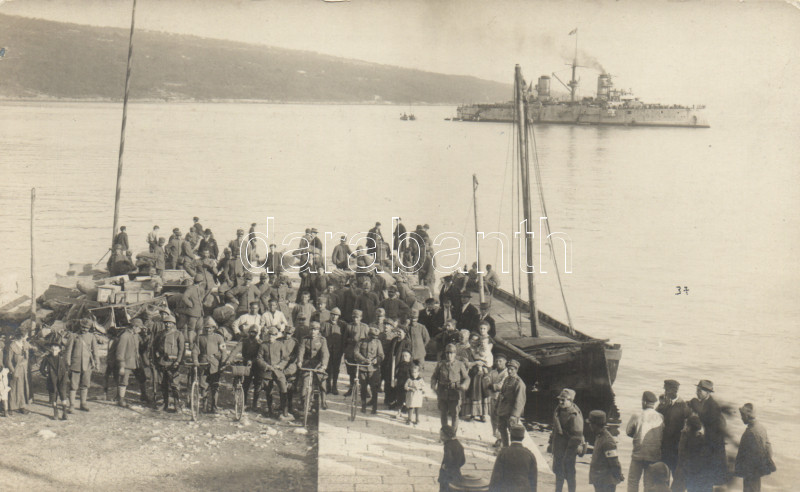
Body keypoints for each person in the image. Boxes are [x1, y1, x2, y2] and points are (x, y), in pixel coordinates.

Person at [688, 379, 727, 487]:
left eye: (699, 391)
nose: (697, 393)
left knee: (707, 479)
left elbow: (716, 430)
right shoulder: (703, 403)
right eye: (697, 390)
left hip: (711, 449)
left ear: (708, 392)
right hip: (704, 447)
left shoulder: (713, 407)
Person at [626, 391, 664, 492]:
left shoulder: (637, 415)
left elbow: (628, 432)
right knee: (649, 483)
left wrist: (636, 435)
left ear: (644, 402)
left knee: (633, 481)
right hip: (653, 455)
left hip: (638, 454)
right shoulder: (660, 417)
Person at [655, 379, 691, 487]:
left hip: (676, 448)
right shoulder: (664, 404)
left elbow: (687, 428)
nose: (665, 392)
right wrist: (661, 405)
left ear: (673, 391)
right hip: (665, 447)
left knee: (677, 478)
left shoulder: (684, 407)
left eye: (667, 390)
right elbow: (656, 417)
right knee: (663, 476)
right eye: (665, 390)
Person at [735, 403, 776, 492]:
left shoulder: (752, 432)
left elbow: (755, 455)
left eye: (742, 415)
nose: (741, 418)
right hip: (755, 471)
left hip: (751, 471)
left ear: (747, 416)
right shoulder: (760, 427)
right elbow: (768, 448)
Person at [550, 388, 583, 492]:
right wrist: (551, 443)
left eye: (563, 400)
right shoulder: (559, 410)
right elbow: (555, 429)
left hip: (568, 451)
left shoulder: (574, 415)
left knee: (570, 475)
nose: (560, 402)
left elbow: (577, 437)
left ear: (570, 401)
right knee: (558, 473)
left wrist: (568, 455)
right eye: (559, 399)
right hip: (559, 448)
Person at [431, 343, 470, 431]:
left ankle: (453, 433)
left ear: (455, 354)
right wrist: (433, 385)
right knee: (443, 413)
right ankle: (445, 433)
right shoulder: (440, 364)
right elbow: (434, 377)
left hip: (455, 392)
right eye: (447, 353)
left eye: (451, 353)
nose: (449, 355)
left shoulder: (460, 364)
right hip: (443, 391)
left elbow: (466, 378)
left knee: (454, 414)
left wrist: (464, 385)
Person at [192, 317, 227, 414]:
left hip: (215, 364)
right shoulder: (200, 338)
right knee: (203, 385)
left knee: (215, 385)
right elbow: (195, 350)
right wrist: (195, 360)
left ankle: (214, 406)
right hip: (203, 363)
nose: (208, 330)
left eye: (210, 328)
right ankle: (204, 405)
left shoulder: (219, 338)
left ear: (214, 328)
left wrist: (223, 362)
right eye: (206, 328)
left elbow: (224, 351)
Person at [489, 424, 538, 492]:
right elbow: (533, 481)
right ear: (523, 437)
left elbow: (496, 478)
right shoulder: (530, 455)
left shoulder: (503, 453)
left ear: (510, 437)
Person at [223, 325, 262, 408]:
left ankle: (254, 404)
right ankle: (243, 403)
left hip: (256, 365)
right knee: (245, 384)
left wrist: (253, 361)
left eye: (254, 333)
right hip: (246, 364)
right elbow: (235, 350)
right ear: (248, 332)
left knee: (257, 385)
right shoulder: (244, 341)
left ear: (257, 333)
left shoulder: (259, 343)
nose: (252, 334)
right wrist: (229, 359)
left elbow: (260, 356)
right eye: (251, 332)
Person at [65, 318, 99, 412]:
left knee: (85, 385)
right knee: (73, 386)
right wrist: (68, 362)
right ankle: (71, 405)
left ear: (89, 328)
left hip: (87, 365)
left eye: (87, 328)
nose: (84, 329)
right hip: (75, 364)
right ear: (80, 326)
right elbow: (68, 350)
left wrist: (97, 363)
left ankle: (83, 404)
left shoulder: (91, 337)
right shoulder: (73, 336)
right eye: (83, 327)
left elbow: (95, 351)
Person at [256, 326, 290, 418]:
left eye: (274, 335)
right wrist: (266, 366)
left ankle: (285, 410)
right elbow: (259, 358)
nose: (271, 336)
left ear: (276, 336)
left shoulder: (280, 345)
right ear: (267, 335)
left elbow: (285, 359)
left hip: (278, 371)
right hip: (267, 371)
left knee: (283, 388)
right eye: (270, 334)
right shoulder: (263, 345)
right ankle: (270, 410)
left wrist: (279, 366)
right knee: (268, 390)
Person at [587, 409, 624, 492]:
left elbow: (614, 463)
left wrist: (618, 475)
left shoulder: (607, 441)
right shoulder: (600, 436)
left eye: (590, 423)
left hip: (606, 482)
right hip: (600, 480)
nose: (589, 425)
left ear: (595, 425)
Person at [154, 314, 185, 412]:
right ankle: (165, 403)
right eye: (166, 323)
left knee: (174, 385)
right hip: (162, 362)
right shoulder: (160, 334)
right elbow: (154, 347)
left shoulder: (178, 334)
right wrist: (156, 358)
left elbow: (181, 350)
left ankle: (177, 405)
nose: (168, 325)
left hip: (173, 363)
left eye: (170, 323)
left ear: (173, 324)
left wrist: (178, 361)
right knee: (163, 384)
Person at [676, 415, 713, 492]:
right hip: (699, 472)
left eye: (686, 425)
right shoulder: (702, 438)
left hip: (689, 471)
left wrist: (683, 435)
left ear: (689, 427)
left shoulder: (686, 438)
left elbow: (681, 454)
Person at [298, 321, 330, 411]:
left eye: (315, 330)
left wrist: (324, 365)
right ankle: (304, 402)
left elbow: (325, 353)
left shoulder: (322, 340)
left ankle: (323, 400)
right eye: (311, 329)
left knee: (322, 381)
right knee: (305, 383)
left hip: (318, 365)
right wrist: (300, 361)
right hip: (307, 364)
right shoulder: (305, 339)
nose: (313, 332)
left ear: (318, 331)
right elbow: (301, 351)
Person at [354, 326, 384, 414]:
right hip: (362, 368)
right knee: (363, 388)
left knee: (374, 388)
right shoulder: (361, 341)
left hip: (373, 369)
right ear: (368, 335)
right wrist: (363, 359)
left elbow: (381, 355)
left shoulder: (378, 342)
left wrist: (376, 360)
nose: (373, 339)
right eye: (372, 337)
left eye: (375, 337)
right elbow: (356, 352)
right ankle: (363, 406)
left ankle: (374, 408)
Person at [115, 319, 145, 408]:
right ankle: (121, 399)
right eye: (139, 328)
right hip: (126, 362)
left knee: (142, 378)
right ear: (134, 327)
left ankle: (144, 395)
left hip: (136, 362)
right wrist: (121, 365)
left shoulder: (136, 335)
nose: (140, 330)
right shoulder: (124, 336)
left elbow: (141, 345)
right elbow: (120, 352)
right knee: (124, 381)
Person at [496, 358, 526, 446]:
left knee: (513, 432)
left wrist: (514, 415)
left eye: (512, 369)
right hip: (503, 410)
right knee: (501, 428)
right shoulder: (507, 380)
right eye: (508, 369)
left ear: (516, 370)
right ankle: (505, 447)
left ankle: (512, 449)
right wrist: (497, 407)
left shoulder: (519, 383)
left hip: (511, 412)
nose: (509, 371)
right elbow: (501, 394)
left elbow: (520, 401)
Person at [4, 329, 32, 415]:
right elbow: (8, 360)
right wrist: (13, 371)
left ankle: (21, 406)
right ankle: (11, 407)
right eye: (26, 336)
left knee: (22, 387)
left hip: (23, 369)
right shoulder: (12, 346)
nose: (27, 337)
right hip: (15, 369)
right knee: (13, 387)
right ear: (21, 337)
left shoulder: (24, 344)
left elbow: (31, 350)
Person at [343, 309, 370, 396]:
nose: (355, 319)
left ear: (361, 318)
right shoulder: (349, 326)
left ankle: (364, 389)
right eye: (354, 317)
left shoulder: (365, 327)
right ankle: (351, 388)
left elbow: (368, 340)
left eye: (357, 317)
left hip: (361, 353)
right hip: (351, 352)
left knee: (362, 372)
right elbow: (344, 340)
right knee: (351, 372)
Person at [40, 341, 70, 420]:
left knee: (63, 394)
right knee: (53, 395)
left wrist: (65, 374)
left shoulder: (63, 358)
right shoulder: (47, 358)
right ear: (50, 349)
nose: (54, 351)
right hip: (52, 379)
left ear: (59, 350)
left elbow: (67, 367)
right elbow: (41, 368)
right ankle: (55, 412)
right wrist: (46, 374)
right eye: (52, 350)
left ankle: (64, 412)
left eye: (56, 350)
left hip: (62, 379)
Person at [321, 307, 345, 394]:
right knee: (327, 368)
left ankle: (334, 385)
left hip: (337, 350)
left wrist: (342, 349)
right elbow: (321, 336)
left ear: (339, 316)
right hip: (327, 350)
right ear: (330, 315)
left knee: (336, 368)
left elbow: (344, 337)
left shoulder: (342, 325)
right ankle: (328, 386)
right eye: (333, 314)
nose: (334, 317)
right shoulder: (324, 324)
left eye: (336, 315)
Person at [438, 425, 465, 492]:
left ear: (448, 436)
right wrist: (456, 466)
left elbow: (448, 458)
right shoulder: (458, 444)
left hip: (446, 474)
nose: (440, 437)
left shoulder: (448, 446)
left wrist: (445, 466)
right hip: (456, 473)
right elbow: (463, 460)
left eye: (442, 435)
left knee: (444, 489)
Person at [393, 348, 414, 419]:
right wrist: (395, 379)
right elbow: (397, 372)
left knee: (407, 398)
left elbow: (413, 375)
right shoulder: (401, 364)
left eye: (406, 356)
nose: (404, 357)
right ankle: (399, 412)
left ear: (410, 357)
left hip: (407, 384)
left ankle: (408, 414)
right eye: (403, 356)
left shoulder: (411, 365)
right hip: (400, 383)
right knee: (399, 398)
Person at [404, 361, 425, 425]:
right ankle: (409, 419)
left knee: (417, 408)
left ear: (418, 373)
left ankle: (417, 419)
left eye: (415, 372)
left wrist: (419, 388)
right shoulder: (409, 379)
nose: (414, 374)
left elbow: (423, 386)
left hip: (417, 395)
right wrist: (410, 388)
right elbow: (405, 386)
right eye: (413, 372)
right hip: (411, 395)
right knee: (411, 407)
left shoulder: (420, 380)